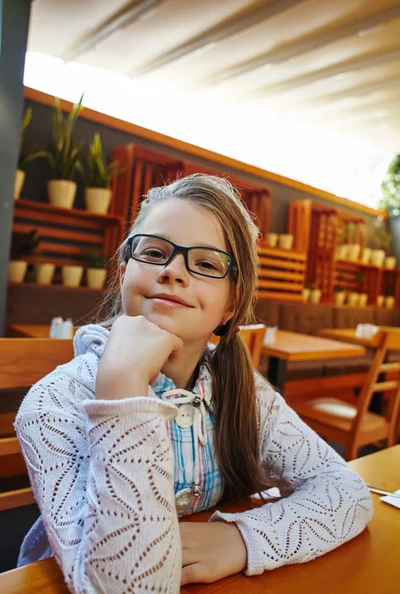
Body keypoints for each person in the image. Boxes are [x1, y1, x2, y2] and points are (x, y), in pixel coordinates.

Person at [15, 174, 373, 593]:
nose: (172, 271)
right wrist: (125, 386)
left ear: (231, 305)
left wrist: (242, 539)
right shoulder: (55, 404)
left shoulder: (243, 395)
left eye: (205, 264)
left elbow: (347, 491)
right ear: (124, 271)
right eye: (154, 252)